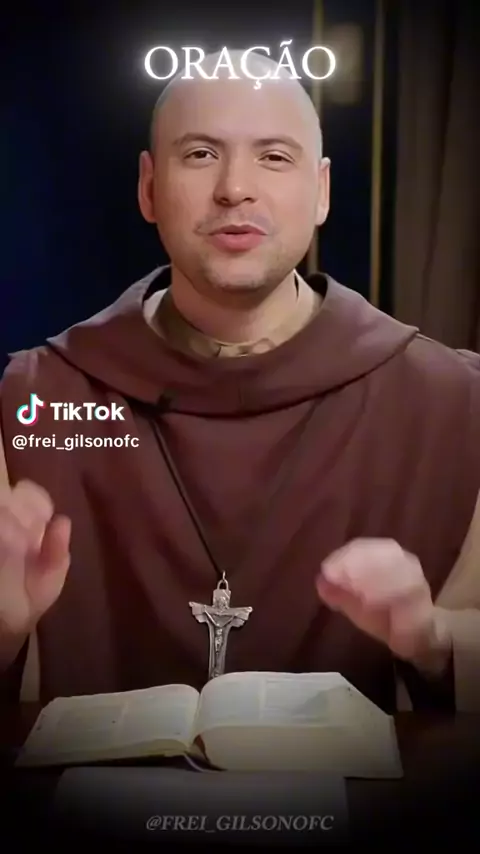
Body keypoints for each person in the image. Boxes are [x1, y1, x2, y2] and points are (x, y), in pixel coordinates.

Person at [1, 50, 480, 713]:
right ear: (148, 187)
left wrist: (432, 638)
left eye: (274, 157)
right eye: (200, 154)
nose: (235, 189)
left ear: (322, 191)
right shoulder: (35, 399)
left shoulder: (453, 402)